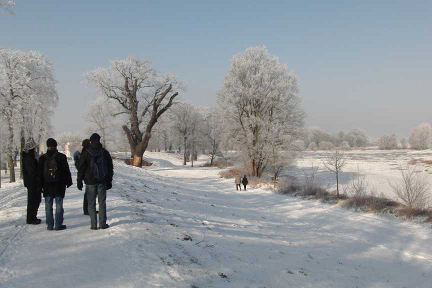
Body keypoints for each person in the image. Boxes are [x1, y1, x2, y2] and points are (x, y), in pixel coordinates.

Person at [77, 133, 113, 230]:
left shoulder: (86, 152)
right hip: (102, 181)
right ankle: (102, 224)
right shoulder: (104, 152)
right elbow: (110, 168)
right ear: (99, 140)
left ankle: (93, 225)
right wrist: (109, 181)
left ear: (90, 141)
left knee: (91, 203)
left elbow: (81, 167)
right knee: (102, 202)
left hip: (90, 182)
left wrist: (79, 180)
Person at [38, 138, 72, 231]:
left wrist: (40, 186)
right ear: (56, 146)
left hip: (47, 185)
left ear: (47, 146)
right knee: (59, 204)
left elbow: (40, 174)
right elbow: (66, 171)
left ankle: (49, 225)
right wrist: (68, 182)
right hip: (59, 185)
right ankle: (58, 225)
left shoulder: (42, 158)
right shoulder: (61, 157)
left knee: (48, 205)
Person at [22, 138, 41, 225]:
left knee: (35, 200)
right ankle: (31, 218)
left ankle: (33, 217)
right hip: (33, 182)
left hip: (32, 182)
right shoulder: (29, 158)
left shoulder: (29, 157)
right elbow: (32, 171)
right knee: (33, 200)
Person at [76, 139, 90, 215]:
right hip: (88, 175)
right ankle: (87, 209)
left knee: (88, 193)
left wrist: (80, 180)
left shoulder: (83, 152)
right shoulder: (87, 152)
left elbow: (80, 167)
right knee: (89, 193)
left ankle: (87, 209)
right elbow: (82, 167)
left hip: (85, 175)